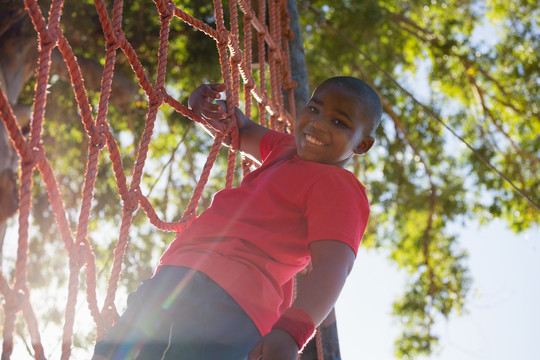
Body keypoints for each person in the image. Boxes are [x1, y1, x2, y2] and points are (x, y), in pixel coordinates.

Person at [92, 76, 382, 360]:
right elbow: (237, 129)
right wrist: (205, 107)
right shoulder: (285, 149)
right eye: (314, 109)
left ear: (362, 145)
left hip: (227, 302)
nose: (318, 123)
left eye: (339, 122)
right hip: (174, 278)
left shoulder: (338, 185)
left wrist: (292, 332)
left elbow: (333, 266)